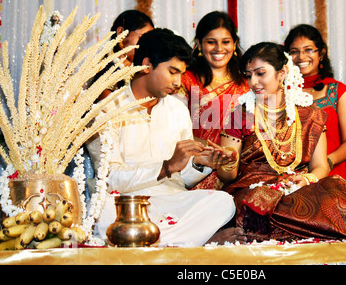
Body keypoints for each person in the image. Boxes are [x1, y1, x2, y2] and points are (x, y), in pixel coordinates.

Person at [211, 42, 346, 242]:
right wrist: (227, 161)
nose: (253, 81)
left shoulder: (311, 115)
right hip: (252, 190)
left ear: (282, 73)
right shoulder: (239, 115)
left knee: (338, 201)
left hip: (299, 187)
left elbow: (319, 166)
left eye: (260, 73)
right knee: (264, 206)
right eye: (248, 75)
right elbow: (228, 176)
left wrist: (307, 179)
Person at [86, 28, 244, 247]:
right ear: (147, 65)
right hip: (126, 204)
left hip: (172, 201)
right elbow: (110, 178)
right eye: (172, 71)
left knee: (223, 202)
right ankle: (197, 241)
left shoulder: (177, 110)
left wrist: (200, 164)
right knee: (101, 214)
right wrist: (166, 167)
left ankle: (145, 242)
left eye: (181, 73)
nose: (179, 82)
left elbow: (182, 178)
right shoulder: (106, 110)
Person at [175, 11, 249, 190]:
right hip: (197, 166)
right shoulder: (184, 80)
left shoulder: (247, 81)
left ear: (235, 44)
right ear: (199, 43)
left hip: (240, 168)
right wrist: (213, 150)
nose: (219, 49)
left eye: (225, 42)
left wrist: (230, 154)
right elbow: (176, 130)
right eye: (211, 42)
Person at [284, 24, 346, 182]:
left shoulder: (338, 92)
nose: (301, 57)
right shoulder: (282, 92)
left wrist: (325, 164)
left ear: (321, 54)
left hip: (330, 175)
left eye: (308, 50)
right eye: (294, 51)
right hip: (291, 178)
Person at [91, 10, 154, 101]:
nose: (146, 45)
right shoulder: (105, 72)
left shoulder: (144, 67)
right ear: (121, 33)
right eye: (142, 38)